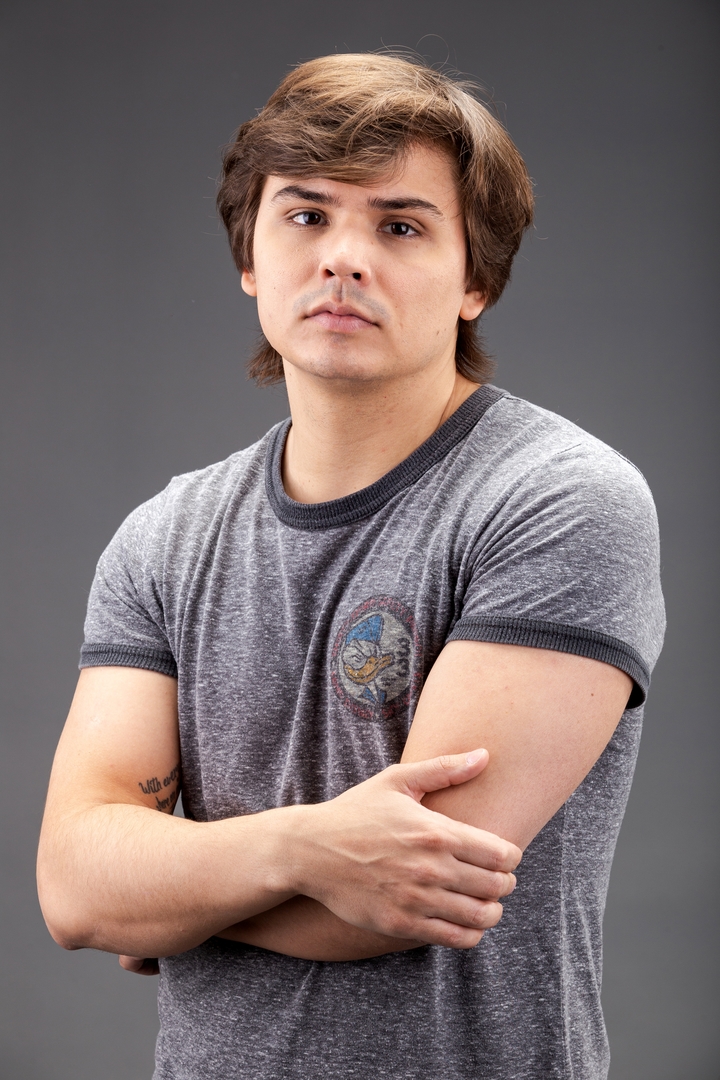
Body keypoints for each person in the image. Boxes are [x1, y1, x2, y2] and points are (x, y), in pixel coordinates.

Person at [37, 52, 665, 1080]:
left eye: (401, 227)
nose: (343, 258)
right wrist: (301, 852)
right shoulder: (164, 537)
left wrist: (172, 895)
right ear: (250, 255)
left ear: (476, 282)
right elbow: (74, 888)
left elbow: (412, 889)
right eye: (305, 215)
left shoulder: (560, 500)